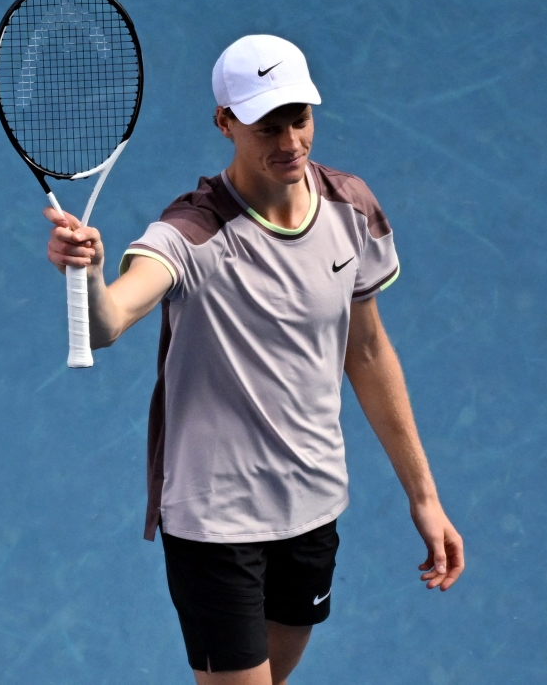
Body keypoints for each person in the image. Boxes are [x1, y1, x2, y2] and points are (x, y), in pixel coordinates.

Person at [44, 35, 463, 685]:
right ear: (225, 122)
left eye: (300, 119)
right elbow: (111, 320)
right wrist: (91, 276)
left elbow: (370, 350)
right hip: (216, 520)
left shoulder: (351, 208)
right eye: (268, 126)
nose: (291, 141)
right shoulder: (192, 232)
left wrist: (425, 496)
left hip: (311, 503)